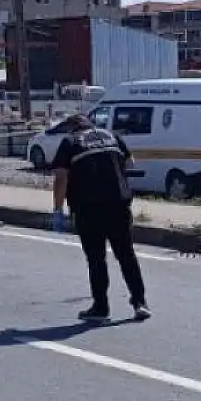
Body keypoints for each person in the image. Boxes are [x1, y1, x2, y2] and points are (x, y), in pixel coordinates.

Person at [51, 113, 149, 322]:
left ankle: (101, 308)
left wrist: (57, 209)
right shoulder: (111, 136)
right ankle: (140, 302)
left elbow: (61, 177)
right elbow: (130, 163)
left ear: (73, 128)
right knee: (126, 255)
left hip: (89, 208)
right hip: (119, 205)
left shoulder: (70, 142)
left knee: (96, 258)